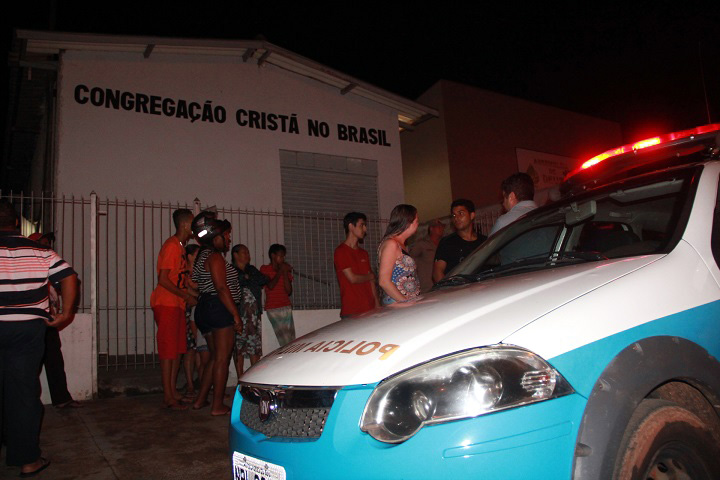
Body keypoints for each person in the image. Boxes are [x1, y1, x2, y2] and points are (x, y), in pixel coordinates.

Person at [0, 199, 78, 477]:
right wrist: (66, 312)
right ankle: (27, 459)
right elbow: (69, 276)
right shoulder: (38, 250)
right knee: (22, 392)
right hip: (27, 328)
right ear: (18, 224)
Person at [191, 211, 242, 416]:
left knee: (214, 358)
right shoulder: (214, 257)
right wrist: (235, 316)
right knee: (222, 358)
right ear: (215, 237)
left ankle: (201, 400)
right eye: (226, 235)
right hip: (218, 307)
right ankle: (217, 405)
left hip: (205, 307)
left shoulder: (202, 255)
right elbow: (221, 288)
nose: (229, 239)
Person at [26, 232, 83, 410]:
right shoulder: (31, 263)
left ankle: (61, 398)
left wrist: (66, 310)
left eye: (48, 243)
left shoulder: (49, 263)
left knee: (54, 359)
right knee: (30, 365)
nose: (46, 246)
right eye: (42, 242)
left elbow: (71, 280)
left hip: (48, 319)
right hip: (32, 320)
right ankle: (28, 402)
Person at [150, 208, 197, 410]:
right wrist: (186, 295)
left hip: (176, 304)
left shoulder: (179, 248)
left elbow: (180, 280)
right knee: (169, 352)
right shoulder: (171, 246)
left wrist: (190, 294)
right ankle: (168, 396)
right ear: (185, 225)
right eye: (193, 224)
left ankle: (172, 391)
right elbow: (163, 280)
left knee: (177, 350)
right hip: (167, 303)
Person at [334, 212, 379, 318]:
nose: (365, 229)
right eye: (361, 225)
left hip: (370, 308)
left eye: (365, 225)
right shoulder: (341, 251)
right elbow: (352, 278)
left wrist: (377, 303)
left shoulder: (364, 253)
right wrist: (371, 276)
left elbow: (371, 282)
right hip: (352, 309)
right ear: (350, 226)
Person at [231, 244, 267, 375]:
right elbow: (235, 283)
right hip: (239, 315)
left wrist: (248, 278)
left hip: (253, 316)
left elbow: (263, 279)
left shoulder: (251, 269)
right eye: (244, 252)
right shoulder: (231, 270)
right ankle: (240, 377)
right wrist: (247, 279)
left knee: (254, 346)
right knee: (239, 347)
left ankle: (254, 376)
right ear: (235, 255)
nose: (248, 255)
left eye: (248, 252)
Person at [432, 199, 486, 283]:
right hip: (458, 291)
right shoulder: (447, 242)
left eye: (461, 213)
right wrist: (449, 290)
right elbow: (437, 272)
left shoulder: (484, 242)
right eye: (453, 215)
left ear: (472, 215)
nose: (456, 218)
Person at [377, 204, 421, 304]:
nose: (417, 224)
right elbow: (384, 281)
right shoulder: (391, 244)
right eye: (416, 220)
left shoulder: (400, 245)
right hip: (398, 305)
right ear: (408, 221)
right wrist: (405, 301)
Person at [260, 244, 296, 347]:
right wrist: (281, 270)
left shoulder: (285, 270)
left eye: (284, 256)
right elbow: (270, 285)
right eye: (281, 256)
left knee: (291, 339)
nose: (283, 258)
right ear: (273, 256)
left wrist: (285, 272)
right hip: (273, 308)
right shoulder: (265, 269)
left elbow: (288, 291)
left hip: (286, 306)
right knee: (285, 340)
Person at [410, 218, 445, 293]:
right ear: (431, 229)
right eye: (438, 227)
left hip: (442, 286)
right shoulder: (422, 244)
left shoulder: (444, 244)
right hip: (427, 287)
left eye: (442, 226)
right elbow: (410, 261)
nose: (441, 228)